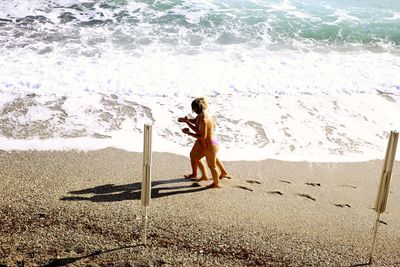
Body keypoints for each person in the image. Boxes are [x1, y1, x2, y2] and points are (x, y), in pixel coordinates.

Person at [178, 97, 228, 188]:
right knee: (194, 155)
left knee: (211, 165)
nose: (192, 110)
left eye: (193, 108)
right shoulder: (202, 114)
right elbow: (196, 123)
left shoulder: (204, 120)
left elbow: (201, 135)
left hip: (210, 144)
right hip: (208, 141)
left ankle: (216, 184)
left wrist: (188, 133)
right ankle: (202, 174)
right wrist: (186, 120)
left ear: (196, 108)